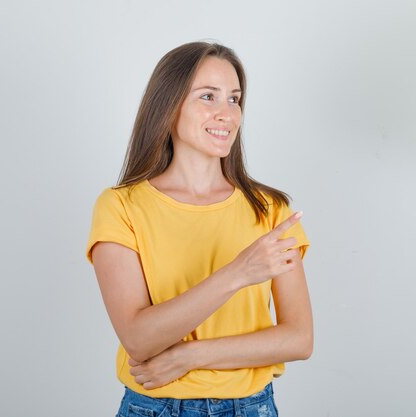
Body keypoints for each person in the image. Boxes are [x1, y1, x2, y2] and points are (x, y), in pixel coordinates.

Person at [86, 41, 313, 417]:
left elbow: (299, 339)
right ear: (168, 105)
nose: (227, 113)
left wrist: (190, 356)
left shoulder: (270, 209)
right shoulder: (120, 206)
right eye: (208, 96)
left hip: (251, 408)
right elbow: (139, 340)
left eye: (235, 99)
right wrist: (240, 272)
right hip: (153, 408)